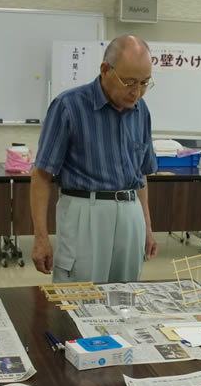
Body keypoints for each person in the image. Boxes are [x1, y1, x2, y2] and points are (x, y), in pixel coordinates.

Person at [30, 34, 158, 283]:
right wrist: (41, 238)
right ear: (104, 70)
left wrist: (147, 227)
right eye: (129, 82)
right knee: (78, 296)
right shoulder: (69, 106)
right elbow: (41, 175)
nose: (137, 92)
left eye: (144, 83)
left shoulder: (141, 111)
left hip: (130, 213)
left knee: (126, 297)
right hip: (85, 212)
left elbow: (140, 173)